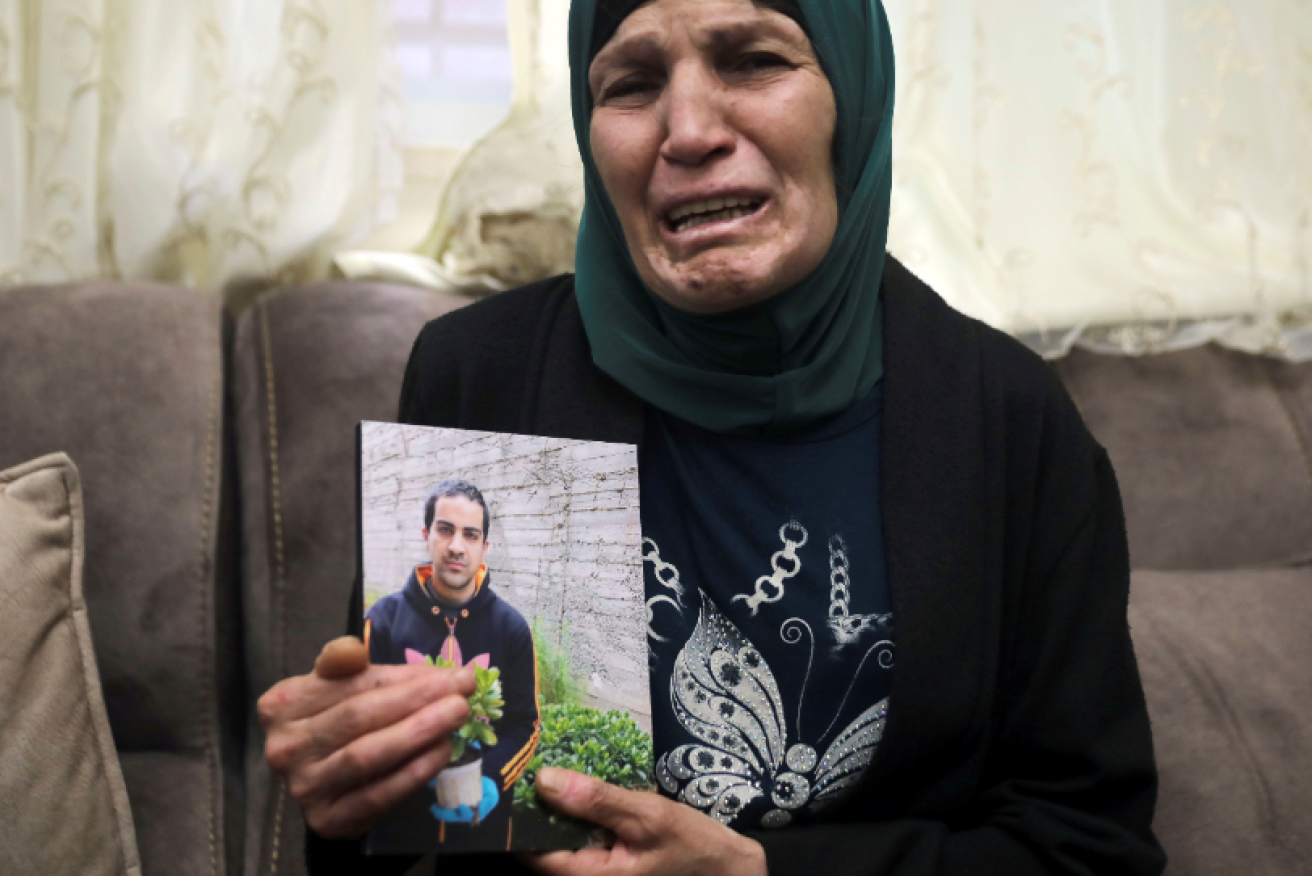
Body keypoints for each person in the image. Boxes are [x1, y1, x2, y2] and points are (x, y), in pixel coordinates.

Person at [259, 0, 1168, 874]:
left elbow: (1083, 843)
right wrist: (355, 791)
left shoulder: (1006, 415)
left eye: (756, 60)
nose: (688, 130)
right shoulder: (483, 375)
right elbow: (422, 814)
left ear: (853, 97)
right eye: (631, 83)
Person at [361, 479, 540, 851]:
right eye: (446, 530)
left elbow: (525, 725)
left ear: (484, 547)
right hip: (397, 829)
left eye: (470, 535)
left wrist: (491, 779)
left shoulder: (512, 629)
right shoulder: (380, 621)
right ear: (427, 535)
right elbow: (359, 719)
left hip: (482, 830)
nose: (457, 546)